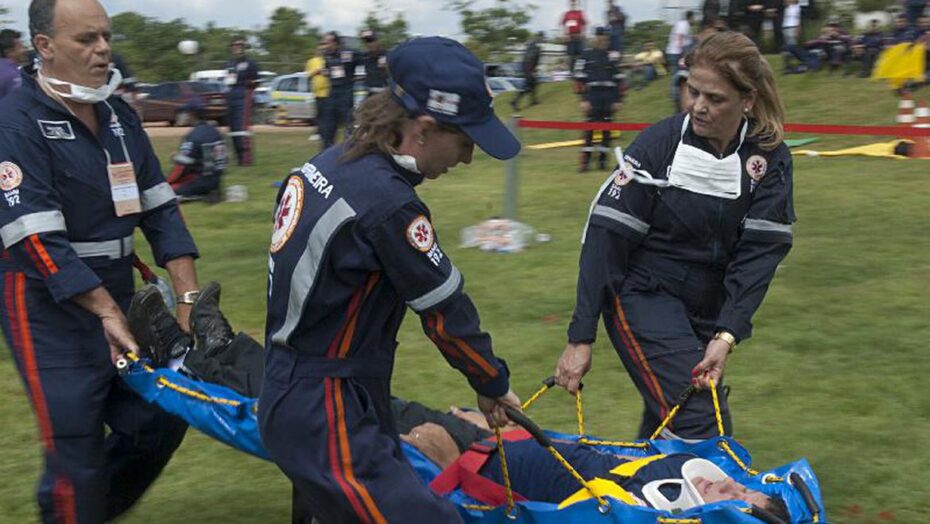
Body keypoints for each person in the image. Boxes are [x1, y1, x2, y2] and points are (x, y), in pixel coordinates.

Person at [258, 36, 523, 523]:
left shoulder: (331, 163)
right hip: (325, 407)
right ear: (422, 129)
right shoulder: (390, 204)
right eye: (464, 142)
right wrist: (491, 381)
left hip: (301, 388)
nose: (466, 159)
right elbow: (445, 312)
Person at [0, 0, 202, 522]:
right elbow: (35, 240)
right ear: (44, 47)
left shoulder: (118, 115)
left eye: (105, 36)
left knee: (162, 415)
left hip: (120, 292)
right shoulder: (16, 122)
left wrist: (187, 302)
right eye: (86, 39)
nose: (103, 49)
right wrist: (106, 312)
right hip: (47, 308)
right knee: (75, 450)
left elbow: (163, 214)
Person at [555, 31, 794, 442]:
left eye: (715, 98)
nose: (698, 106)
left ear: (748, 100)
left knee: (667, 423)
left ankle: (649, 500)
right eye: (693, 91)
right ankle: (710, 504)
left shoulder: (769, 158)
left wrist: (726, 334)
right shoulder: (658, 145)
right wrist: (580, 337)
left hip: (707, 310)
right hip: (643, 294)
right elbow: (604, 240)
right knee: (700, 415)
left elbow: (759, 256)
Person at [412, 422, 789, 519]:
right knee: (451, 415)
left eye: (735, 498)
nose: (728, 485)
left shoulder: (636, 513)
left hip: (481, 470)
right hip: (513, 438)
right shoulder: (681, 471)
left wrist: (449, 460)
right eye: (740, 486)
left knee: (418, 432)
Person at [575, 26, 625, 172]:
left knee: (606, 132)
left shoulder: (613, 57)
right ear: (595, 38)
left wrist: (618, 100)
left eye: (605, 38)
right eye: (600, 37)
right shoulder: (585, 56)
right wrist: (583, 99)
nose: (603, 40)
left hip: (609, 97)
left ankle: (603, 163)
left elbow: (620, 80)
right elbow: (579, 80)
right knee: (589, 131)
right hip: (592, 97)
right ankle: (585, 163)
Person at [166, 98, 228, 202]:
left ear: (192, 114)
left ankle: (200, 195)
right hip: (217, 180)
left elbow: (182, 167)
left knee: (165, 193)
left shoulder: (193, 136)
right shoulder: (216, 132)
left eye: (184, 112)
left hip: (200, 181)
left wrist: (166, 181)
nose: (182, 115)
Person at [318, 31, 358, 149]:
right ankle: (325, 153)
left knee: (348, 124)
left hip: (346, 91)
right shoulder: (326, 55)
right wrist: (326, 72)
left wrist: (356, 75)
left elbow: (361, 61)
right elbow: (327, 69)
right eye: (324, 43)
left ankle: (350, 151)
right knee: (328, 126)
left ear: (335, 43)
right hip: (332, 91)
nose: (325, 46)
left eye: (328, 43)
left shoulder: (348, 53)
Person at [224, 35, 258, 166]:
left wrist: (248, 86)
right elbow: (228, 79)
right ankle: (238, 158)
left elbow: (257, 80)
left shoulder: (250, 63)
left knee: (242, 128)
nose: (238, 47)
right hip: (231, 95)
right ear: (231, 48)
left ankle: (246, 159)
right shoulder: (230, 63)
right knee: (233, 128)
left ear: (244, 48)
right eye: (235, 45)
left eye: (241, 45)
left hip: (243, 95)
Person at [511, 31, 544, 111]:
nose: (542, 39)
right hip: (529, 66)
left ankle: (533, 101)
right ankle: (514, 102)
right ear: (540, 37)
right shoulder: (536, 45)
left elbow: (531, 56)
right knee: (528, 85)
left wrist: (534, 68)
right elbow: (531, 57)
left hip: (527, 65)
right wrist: (532, 69)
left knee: (534, 83)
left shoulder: (532, 43)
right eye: (542, 37)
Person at [305, 42, 330, 143]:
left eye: (324, 50)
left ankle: (325, 133)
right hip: (317, 92)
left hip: (329, 91)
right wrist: (318, 71)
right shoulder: (312, 61)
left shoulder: (329, 60)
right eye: (320, 50)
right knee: (319, 114)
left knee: (327, 114)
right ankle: (317, 133)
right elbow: (308, 75)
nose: (322, 51)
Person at [360, 29, 388, 98]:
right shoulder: (364, 56)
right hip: (370, 93)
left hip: (386, 93)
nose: (369, 44)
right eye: (366, 42)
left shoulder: (388, 55)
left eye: (371, 41)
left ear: (378, 41)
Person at [562, 0, 588, 73]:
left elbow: (585, 23)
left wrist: (584, 33)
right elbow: (563, 24)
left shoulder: (580, 13)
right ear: (570, 4)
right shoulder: (567, 14)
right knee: (571, 56)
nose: (573, 4)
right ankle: (572, 72)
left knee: (580, 56)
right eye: (572, 3)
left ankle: (580, 71)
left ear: (577, 4)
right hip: (570, 37)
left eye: (575, 3)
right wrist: (565, 34)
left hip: (579, 36)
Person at [0, 29, 25, 98]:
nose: (23, 50)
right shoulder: (13, 74)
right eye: (20, 47)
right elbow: (20, 100)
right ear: (9, 52)